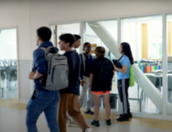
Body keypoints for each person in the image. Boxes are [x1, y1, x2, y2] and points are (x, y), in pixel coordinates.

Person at [26, 27, 60, 132]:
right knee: (53, 123)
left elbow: (41, 70)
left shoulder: (38, 52)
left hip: (42, 93)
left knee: (30, 122)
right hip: (55, 92)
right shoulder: (55, 50)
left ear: (39, 37)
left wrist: (32, 76)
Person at [58, 33, 93, 132]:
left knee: (60, 115)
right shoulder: (77, 55)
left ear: (67, 43)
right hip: (75, 88)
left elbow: (64, 75)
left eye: (60, 41)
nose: (58, 43)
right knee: (74, 112)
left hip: (65, 90)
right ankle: (86, 128)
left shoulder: (64, 57)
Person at [89, 46, 114, 127]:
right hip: (106, 85)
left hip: (97, 85)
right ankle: (108, 120)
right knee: (106, 103)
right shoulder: (109, 61)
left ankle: (96, 121)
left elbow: (91, 76)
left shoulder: (94, 62)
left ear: (96, 53)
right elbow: (112, 72)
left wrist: (90, 85)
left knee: (96, 104)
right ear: (104, 53)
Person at [113, 42, 134, 122]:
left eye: (120, 47)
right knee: (123, 97)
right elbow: (121, 69)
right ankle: (127, 112)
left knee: (123, 97)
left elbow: (124, 71)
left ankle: (125, 115)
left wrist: (115, 67)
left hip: (123, 79)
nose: (119, 48)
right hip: (122, 79)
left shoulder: (125, 58)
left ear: (124, 49)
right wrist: (116, 68)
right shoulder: (123, 57)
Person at [79, 42, 94, 115]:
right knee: (82, 95)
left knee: (91, 95)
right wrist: (81, 79)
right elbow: (79, 68)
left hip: (91, 78)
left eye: (90, 46)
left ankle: (88, 109)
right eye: (87, 46)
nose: (89, 48)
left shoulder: (91, 56)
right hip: (84, 77)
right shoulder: (81, 56)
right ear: (84, 47)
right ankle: (77, 110)